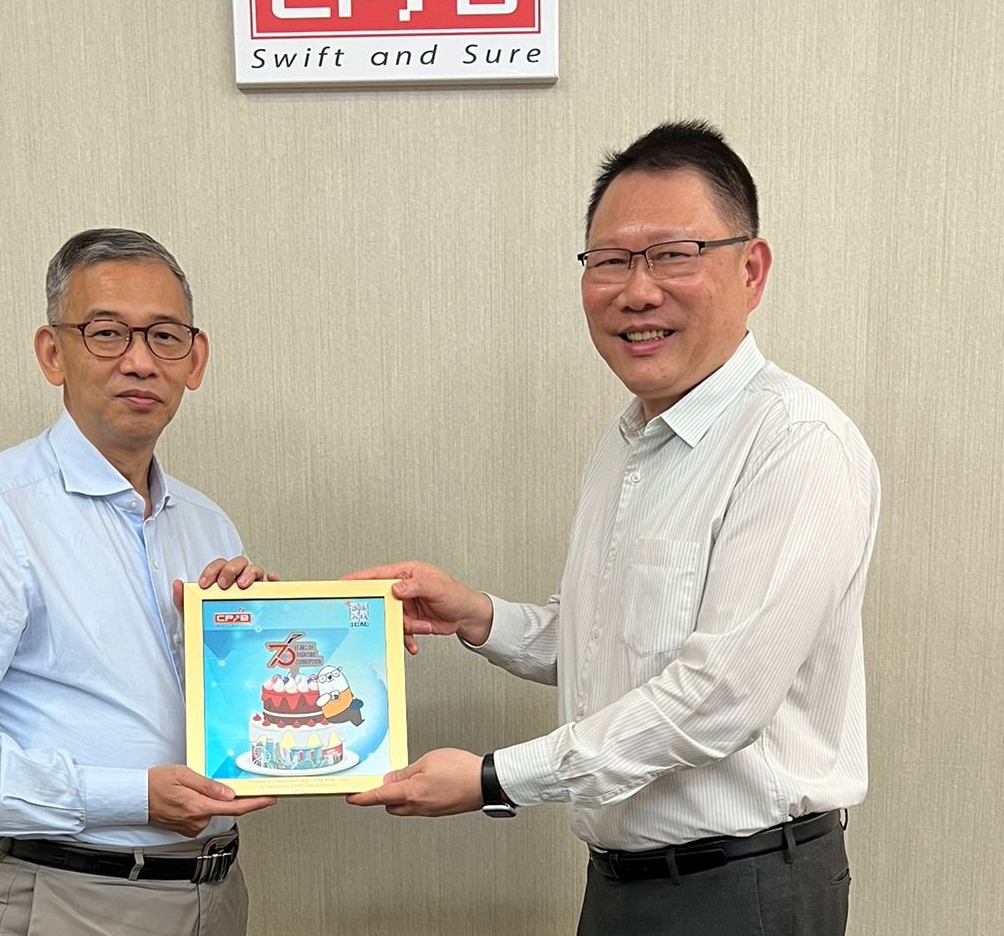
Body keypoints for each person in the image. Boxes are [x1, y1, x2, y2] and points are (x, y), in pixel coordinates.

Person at [347, 122, 881, 935]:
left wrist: (493, 779)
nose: (636, 291)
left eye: (673, 255)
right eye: (609, 261)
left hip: (740, 889)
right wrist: (476, 616)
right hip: (622, 883)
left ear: (750, 270)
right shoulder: (627, 443)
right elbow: (607, 650)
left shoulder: (794, 443)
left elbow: (717, 698)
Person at [0, 228, 276, 936]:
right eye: (107, 333)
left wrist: (263, 645)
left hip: (218, 890)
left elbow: (223, 720)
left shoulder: (208, 525)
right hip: (77, 896)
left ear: (196, 359)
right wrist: (128, 797)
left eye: (165, 337)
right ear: (52, 353)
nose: (140, 361)